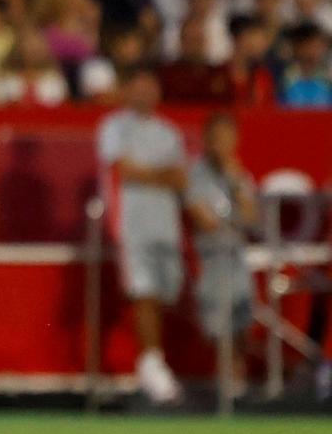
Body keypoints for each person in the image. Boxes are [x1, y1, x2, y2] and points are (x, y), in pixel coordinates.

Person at [97, 67, 189, 405]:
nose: (145, 94)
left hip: (165, 224)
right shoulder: (114, 127)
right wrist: (159, 174)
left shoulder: (169, 132)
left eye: (151, 87)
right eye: (139, 86)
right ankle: (152, 364)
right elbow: (122, 170)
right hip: (131, 224)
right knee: (144, 292)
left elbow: (180, 178)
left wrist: (148, 174)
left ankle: (152, 360)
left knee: (164, 293)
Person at [186, 112, 258, 391]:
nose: (222, 145)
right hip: (211, 258)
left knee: (241, 320)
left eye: (227, 138)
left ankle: (238, 381)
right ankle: (225, 383)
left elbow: (251, 218)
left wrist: (234, 179)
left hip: (236, 255)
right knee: (218, 323)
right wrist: (231, 221)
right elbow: (205, 220)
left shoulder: (239, 175)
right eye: (217, 138)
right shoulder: (195, 174)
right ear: (206, 140)